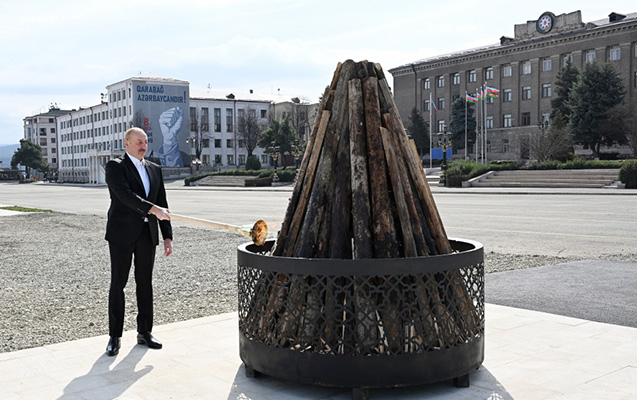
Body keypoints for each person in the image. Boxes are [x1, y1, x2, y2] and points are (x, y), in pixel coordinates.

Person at [104, 127, 173, 356]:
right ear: (127, 143)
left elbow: (163, 201)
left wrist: (167, 235)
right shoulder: (115, 166)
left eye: (145, 141)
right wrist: (153, 209)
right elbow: (124, 195)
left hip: (146, 234)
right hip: (122, 234)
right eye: (138, 142)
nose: (143, 146)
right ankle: (115, 336)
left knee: (145, 284)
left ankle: (145, 332)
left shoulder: (155, 169)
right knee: (118, 284)